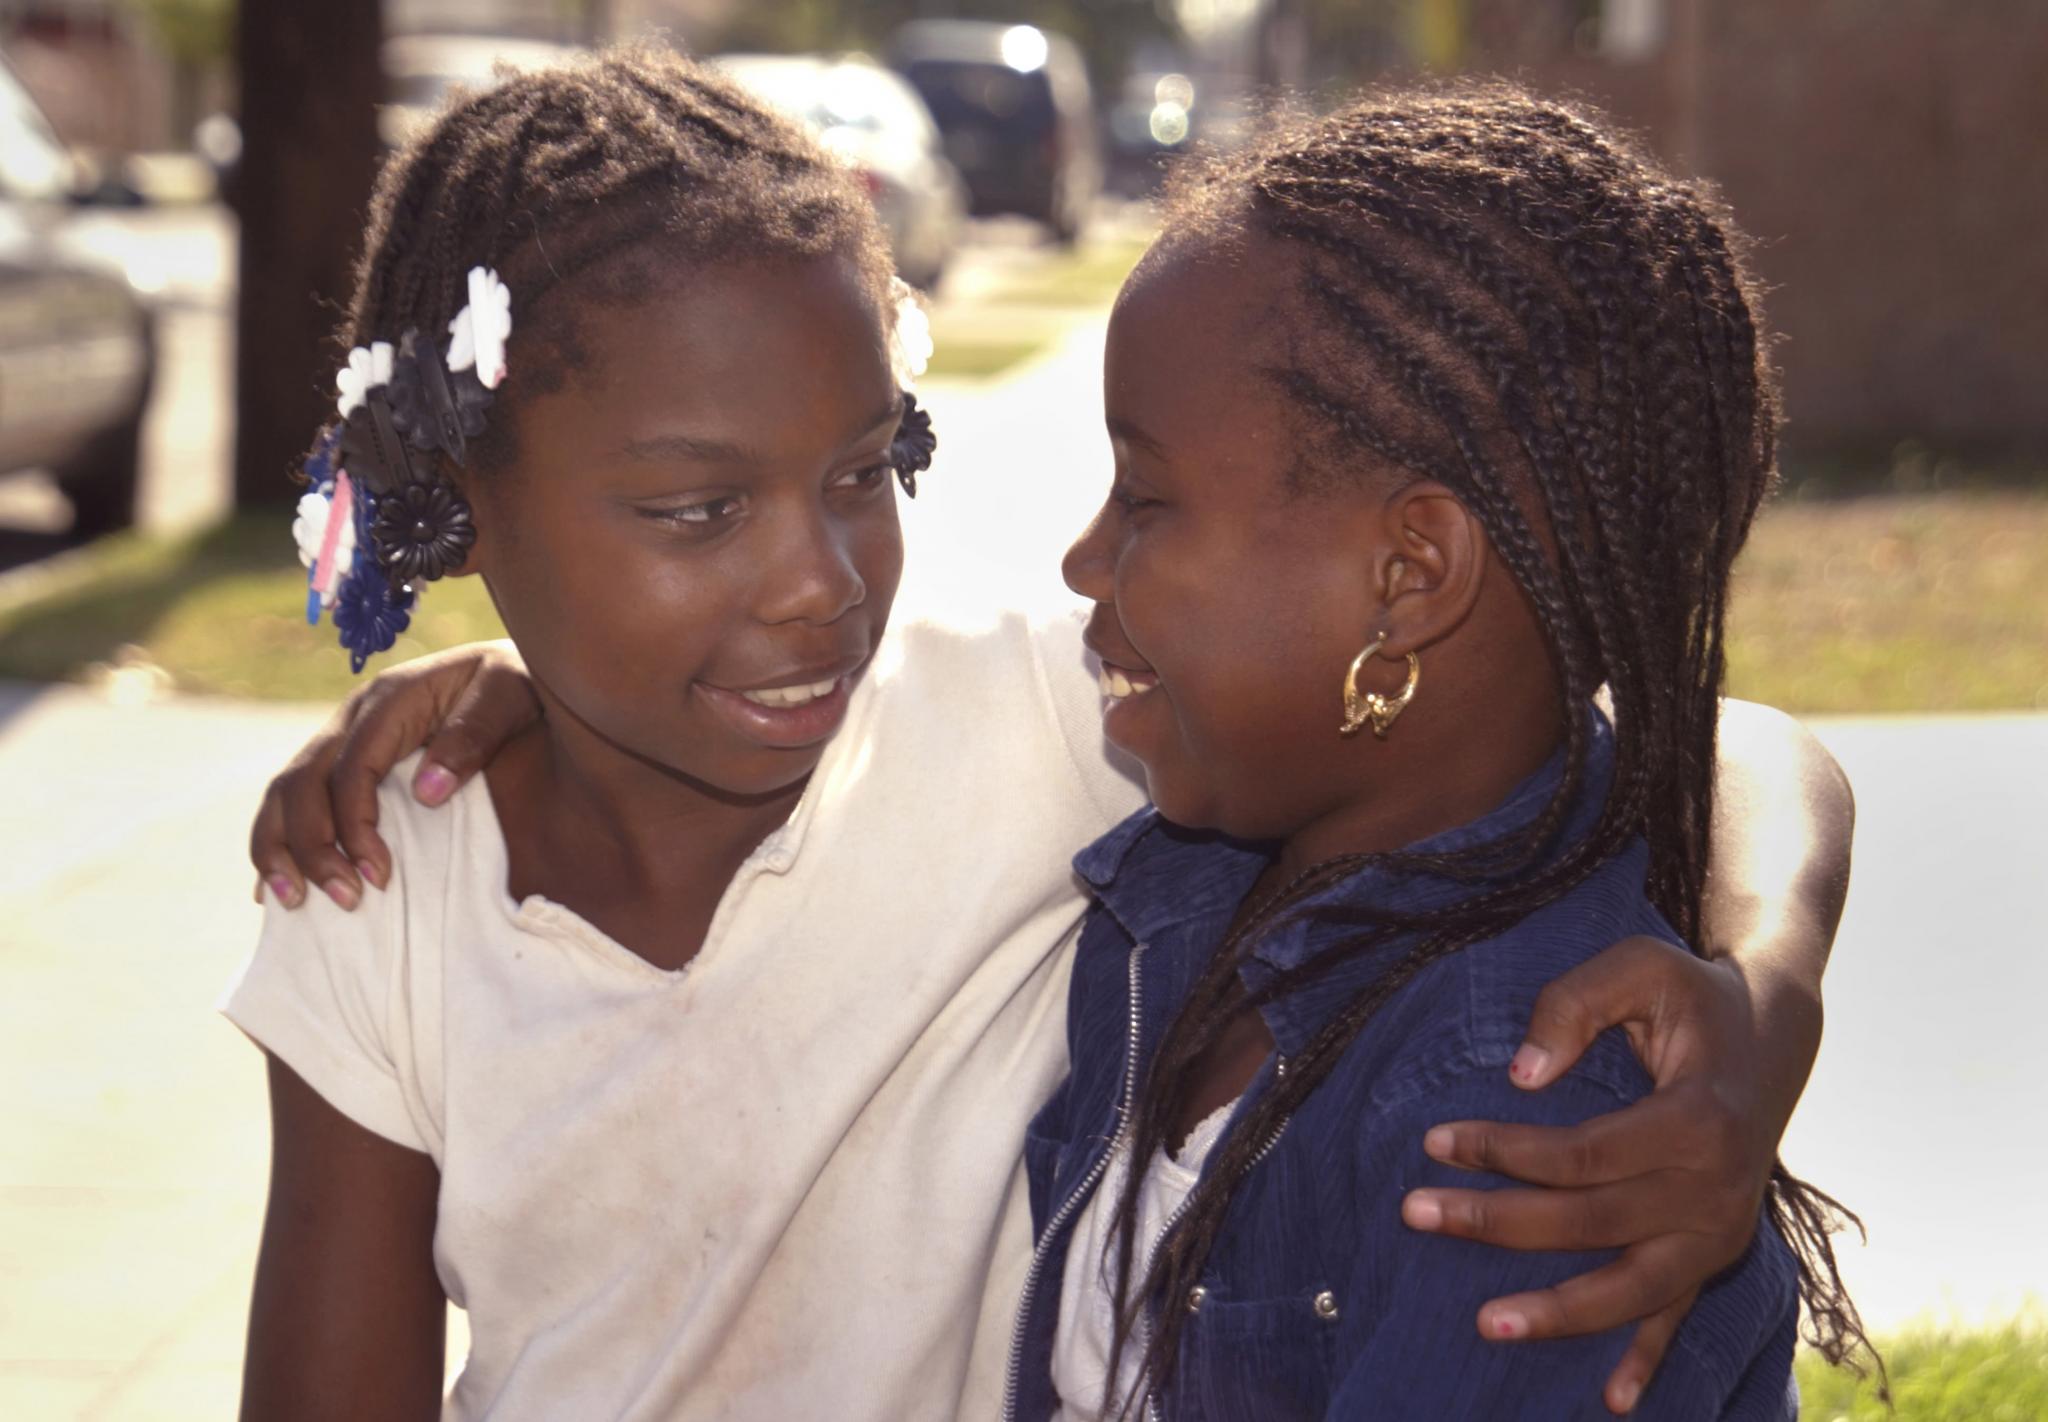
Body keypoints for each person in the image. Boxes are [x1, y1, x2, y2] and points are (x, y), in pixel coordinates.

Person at [233, 52, 1855, 1422]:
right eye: (696, 508)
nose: (818, 583)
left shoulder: (1029, 720)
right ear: (466, 515)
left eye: (867, 470)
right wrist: (519, 668)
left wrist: (1764, 1003)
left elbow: (1702, 745)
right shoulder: (388, 878)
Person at [1006, 87, 1871, 1421]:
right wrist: (1773, 984)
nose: (1083, 559)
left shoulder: (1519, 1122)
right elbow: (1734, 746)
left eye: (1147, 497)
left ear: (1409, 576)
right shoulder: (1205, 875)